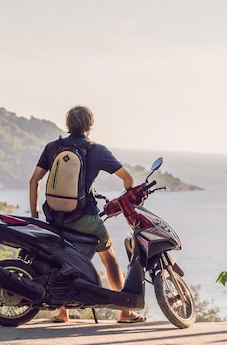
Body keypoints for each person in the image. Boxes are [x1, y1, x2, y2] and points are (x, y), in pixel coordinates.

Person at [29, 105, 147, 323]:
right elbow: (128, 180)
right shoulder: (96, 150)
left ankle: (62, 312)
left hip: (54, 217)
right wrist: (124, 202)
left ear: (68, 124)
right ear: (89, 125)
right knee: (110, 258)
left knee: (61, 259)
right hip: (86, 219)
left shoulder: (52, 147)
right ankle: (125, 311)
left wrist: (35, 215)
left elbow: (34, 181)